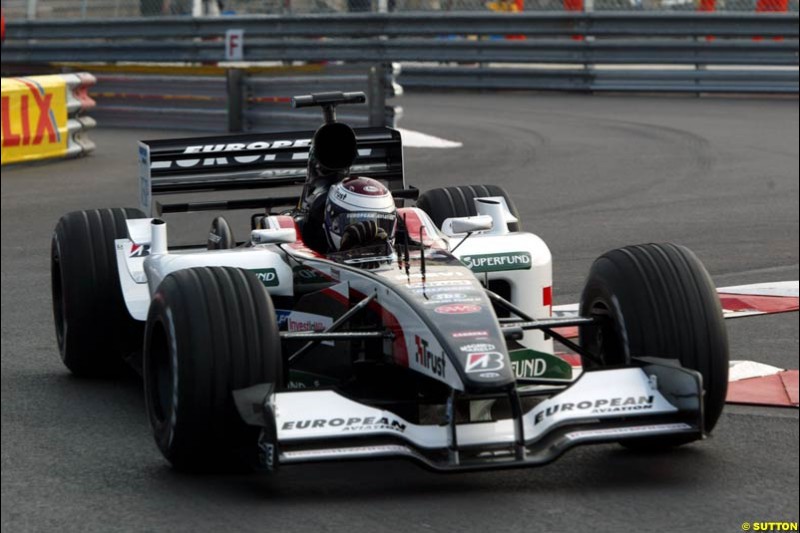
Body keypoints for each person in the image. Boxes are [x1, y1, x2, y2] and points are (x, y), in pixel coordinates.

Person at [304, 176, 397, 254]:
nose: (370, 237)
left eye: (380, 225)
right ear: (331, 222)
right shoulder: (308, 252)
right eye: (355, 222)